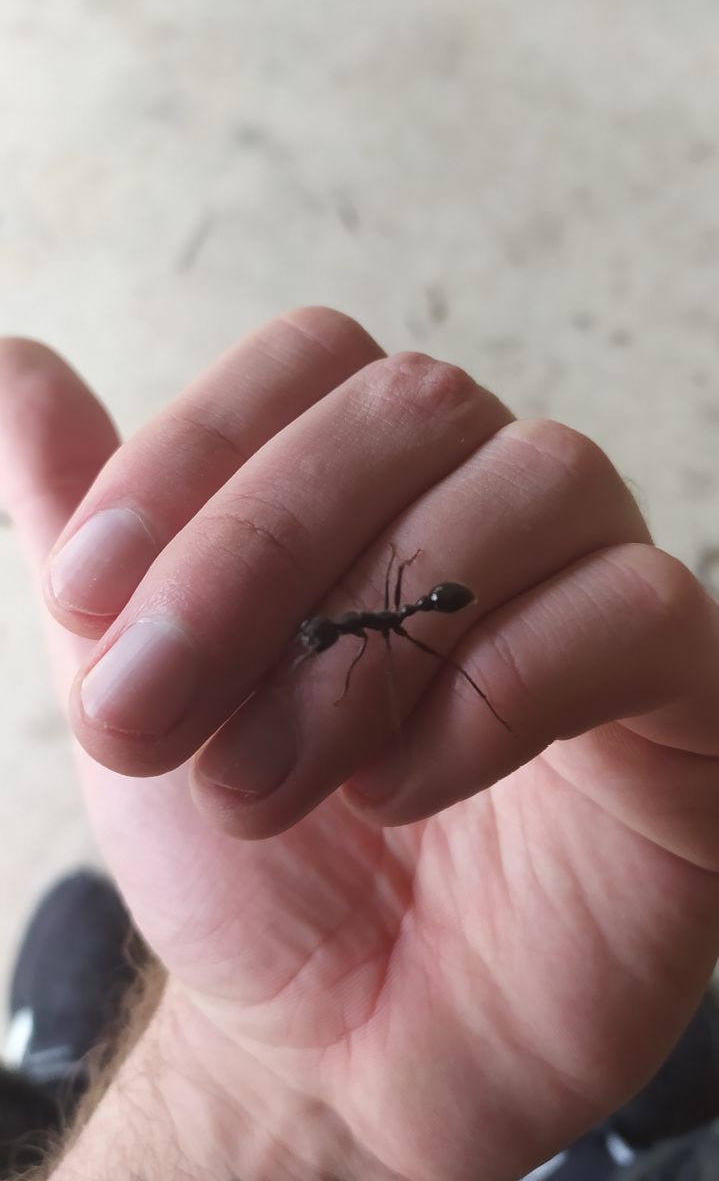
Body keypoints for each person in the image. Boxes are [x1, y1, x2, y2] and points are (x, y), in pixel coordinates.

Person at [0, 307, 717, 1181]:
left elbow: (373, 625)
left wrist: (221, 1119)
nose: (320, 643)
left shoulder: (374, 627)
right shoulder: (355, 638)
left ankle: (61, 1080)